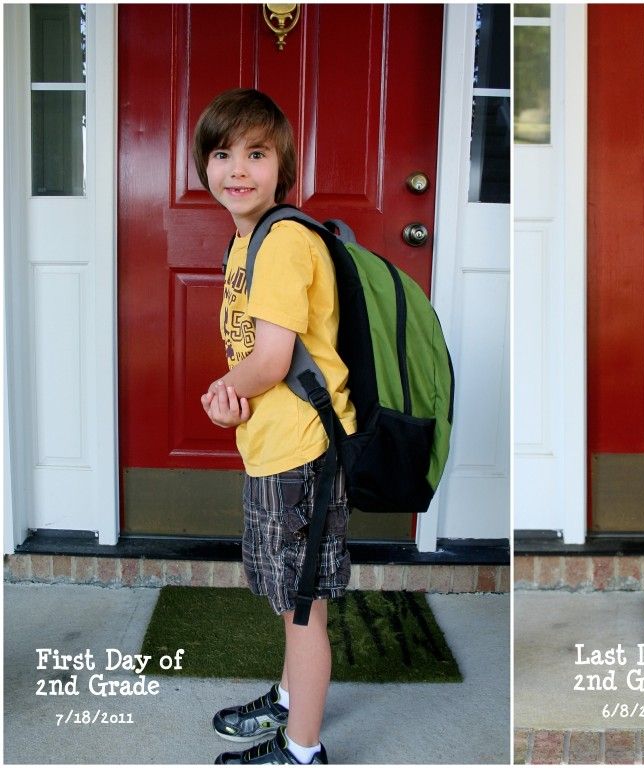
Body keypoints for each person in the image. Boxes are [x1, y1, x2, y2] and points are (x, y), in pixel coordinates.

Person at [193, 87, 357, 765]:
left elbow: (270, 357)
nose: (237, 168)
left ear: (282, 166)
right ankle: (292, 701)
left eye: (256, 153)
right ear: (204, 165)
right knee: (290, 596)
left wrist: (220, 394)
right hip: (276, 447)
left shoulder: (284, 241)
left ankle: (301, 749)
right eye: (223, 152)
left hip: (302, 453)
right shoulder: (250, 239)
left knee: (301, 608)